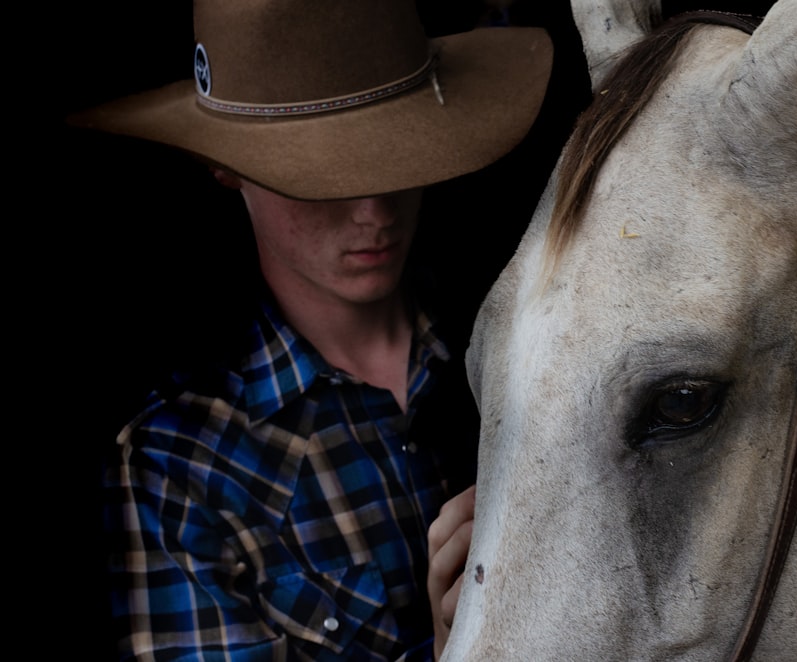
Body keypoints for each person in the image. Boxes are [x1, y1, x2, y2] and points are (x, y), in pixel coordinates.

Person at [66, 0, 554, 659]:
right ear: (225, 166)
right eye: (321, 178)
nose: (374, 210)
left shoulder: (529, 338)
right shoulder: (177, 465)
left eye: (396, 156)